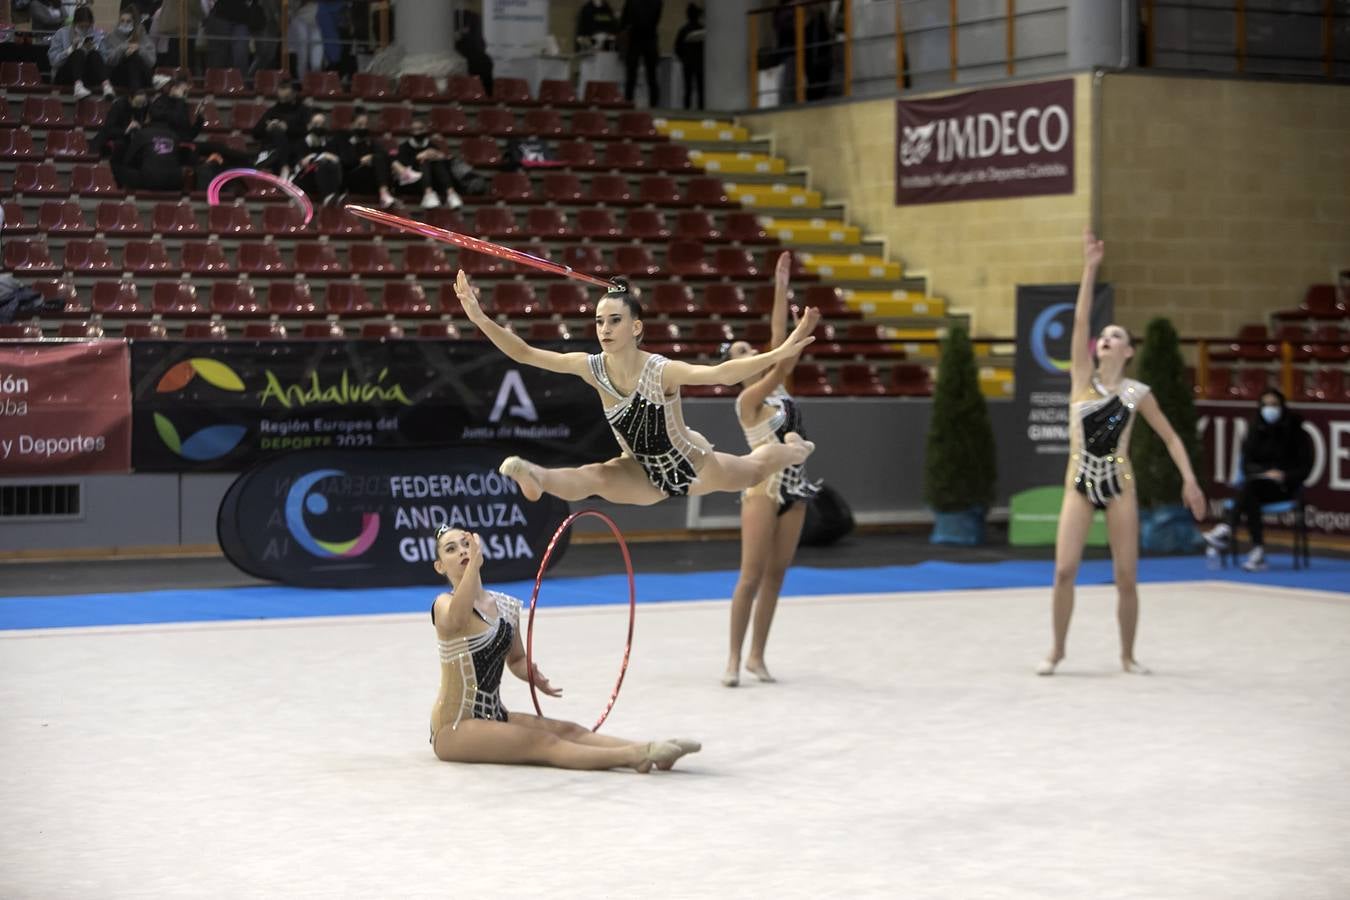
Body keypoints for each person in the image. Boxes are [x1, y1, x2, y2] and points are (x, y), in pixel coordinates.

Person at [451, 270, 820, 506]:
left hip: (691, 466)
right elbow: (524, 352)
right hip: (640, 474)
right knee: (596, 476)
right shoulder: (591, 367)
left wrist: (781, 351)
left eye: (615, 321)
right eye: (599, 322)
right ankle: (536, 477)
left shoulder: (660, 371)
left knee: (755, 468)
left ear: (636, 328)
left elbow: (721, 374)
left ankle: (794, 451)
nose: (605, 329)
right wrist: (479, 317)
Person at [1038, 230, 1206, 677]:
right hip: (1079, 482)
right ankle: (1056, 650)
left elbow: (1170, 437)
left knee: (1127, 577)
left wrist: (1189, 478)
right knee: (1064, 571)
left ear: (1129, 351)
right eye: (1104, 336)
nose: (1106, 340)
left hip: (1119, 484)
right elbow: (1078, 323)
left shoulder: (1136, 394)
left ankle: (1128, 656)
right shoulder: (1080, 379)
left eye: (1117, 337)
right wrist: (1089, 269)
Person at [429, 526, 700, 772]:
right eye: (451, 549)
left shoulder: (506, 606)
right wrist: (474, 565)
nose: (462, 551)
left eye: (466, 543)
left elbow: (517, 658)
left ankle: (653, 747)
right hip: (455, 726)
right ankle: (635, 755)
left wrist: (532, 674)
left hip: (494, 715)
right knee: (543, 742)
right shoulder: (443, 604)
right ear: (440, 566)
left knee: (567, 730)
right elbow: (457, 618)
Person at [720, 252, 820, 687]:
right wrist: (800, 335)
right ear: (735, 368)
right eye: (741, 353)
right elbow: (781, 353)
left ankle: (757, 656)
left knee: (777, 576)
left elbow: (778, 342)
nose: (750, 352)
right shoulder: (746, 401)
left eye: (749, 348)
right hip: (762, 488)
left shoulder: (781, 386)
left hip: (795, 488)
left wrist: (781, 287)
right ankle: (732, 658)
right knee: (750, 575)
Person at [1202, 388, 1312, 572]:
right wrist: (1265, 472)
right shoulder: (1255, 430)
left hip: (1285, 488)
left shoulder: (1296, 432)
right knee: (1251, 491)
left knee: (1247, 492)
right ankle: (1257, 552)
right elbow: (1246, 465)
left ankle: (1228, 530)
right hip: (1258, 486)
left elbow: (1305, 467)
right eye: (1266, 405)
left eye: (1274, 405)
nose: (1270, 409)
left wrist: (1283, 475)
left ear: (1282, 406)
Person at [331, 106, 398, 209]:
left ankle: (384, 192)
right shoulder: (343, 139)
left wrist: (371, 158)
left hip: (369, 180)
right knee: (378, 158)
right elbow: (344, 162)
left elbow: (385, 155)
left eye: (364, 125)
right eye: (359, 125)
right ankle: (384, 193)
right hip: (351, 178)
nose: (362, 128)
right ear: (352, 124)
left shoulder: (369, 141)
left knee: (379, 158)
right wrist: (360, 160)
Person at [48, 6, 115, 101]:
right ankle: (78, 86)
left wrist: (95, 48)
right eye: (81, 27)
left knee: (94, 54)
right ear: (74, 23)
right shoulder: (61, 33)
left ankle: (107, 86)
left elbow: (107, 60)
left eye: (87, 27)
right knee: (78, 52)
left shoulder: (98, 34)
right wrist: (70, 49)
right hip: (66, 75)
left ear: (91, 24)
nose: (84, 29)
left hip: (88, 75)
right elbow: (53, 61)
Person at [116, 104, 185, 191]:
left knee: (120, 168)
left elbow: (128, 160)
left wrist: (126, 137)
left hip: (149, 181)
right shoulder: (175, 135)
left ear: (149, 117)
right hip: (174, 182)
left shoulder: (142, 134)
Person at [397, 120, 462, 210]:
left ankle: (451, 194)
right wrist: (418, 157)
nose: (418, 132)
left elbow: (445, 160)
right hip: (413, 182)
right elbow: (402, 167)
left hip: (434, 180)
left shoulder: (431, 145)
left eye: (420, 129)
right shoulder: (404, 147)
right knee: (425, 161)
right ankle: (428, 193)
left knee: (436, 162)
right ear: (410, 132)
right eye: (415, 130)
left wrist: (437, 155)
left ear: (425, 130)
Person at [252, 80, 311, 178]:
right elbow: (255, 133)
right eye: (280, 88)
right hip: (274, 150)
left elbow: (306, 130)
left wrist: (287, 128)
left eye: (285, 88)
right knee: (276, 131)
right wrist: (267, 127)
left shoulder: (303, 110)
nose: (281, 91)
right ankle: (284, 166)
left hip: (295, 148)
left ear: (294, 92)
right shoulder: (273, 110)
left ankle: (285, 166)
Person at [291, 111, 345, 205]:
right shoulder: (301, 143)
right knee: (322, 164)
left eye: (322, 124)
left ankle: (334, 195)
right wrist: (322, 156)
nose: (319, 127)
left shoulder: (329, 143)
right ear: (309, 125)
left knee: (332, 165)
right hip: (303, 179)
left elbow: (335, 159)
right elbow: (304, 162)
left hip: (323, 179)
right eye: (316, 124)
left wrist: (319, 157)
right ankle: (329, 196)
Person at [101, 4, 157, 93]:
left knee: (134, 56)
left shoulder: (142, 36)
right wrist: (124, 47)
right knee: (130, 57)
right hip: (120, 76)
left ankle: (135, 92)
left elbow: (151, 62)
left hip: (141, 76)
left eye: (128, 21)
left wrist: (139, 48)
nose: (125, 24)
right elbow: (108, 60)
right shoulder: (111, 36)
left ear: (134, 23)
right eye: (122, 21)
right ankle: (136, 93)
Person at [620, 0, 662, 107]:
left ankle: (628, 103)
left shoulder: (632, 2)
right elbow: (655, 19)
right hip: (648, 38)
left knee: (633, 76)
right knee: (650, 76)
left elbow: (624, 20)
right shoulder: (656, 2)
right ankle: (653, 105)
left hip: (638, 38)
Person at [91, 86, 150, 161]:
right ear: (130, 98)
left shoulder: (145, 104)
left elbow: (146, 120)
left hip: (134, 136)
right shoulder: (118, 106)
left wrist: (141, 126)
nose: (140, 106)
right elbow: (108, 129)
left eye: (143, 103)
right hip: (116, 135)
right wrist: (126, 130)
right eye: (138, 103)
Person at [203, 0, 255, 72]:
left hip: (241, 17)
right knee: (218, 58)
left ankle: (239, 82)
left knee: (240, 57)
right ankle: (215, 81)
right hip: (221, 15)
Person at [673, 2, 704, 110]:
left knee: (688, 89)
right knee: (701, 89)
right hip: (700, 63)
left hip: (688, 62)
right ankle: (702, 109)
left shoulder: (683, 30)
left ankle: (687, 109)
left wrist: (683, 58)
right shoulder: (702, 29)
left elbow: (677, 48)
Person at [286, 0, 324, 79]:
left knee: (317, 59)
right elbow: (290, 10)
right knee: (302, 57)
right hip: (299, 21)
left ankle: (315, 84)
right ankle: (303, 85)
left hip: (314, 23)